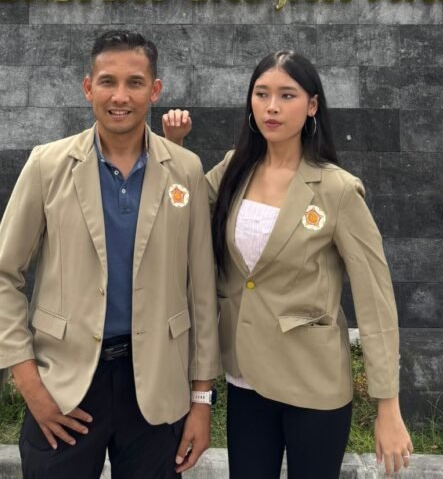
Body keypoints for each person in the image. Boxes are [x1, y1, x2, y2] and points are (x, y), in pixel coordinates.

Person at [162, 50, 413, 479]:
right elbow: (178, 215)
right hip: (246, 379)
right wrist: (174, 148)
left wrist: (387, 405)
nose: (272, 107)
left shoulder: (336, 189)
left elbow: (375, 300)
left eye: (286, 95)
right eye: (261, 94)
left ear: (312, 105)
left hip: (314, 383)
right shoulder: (233, 169)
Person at [0, 30, 220, 479]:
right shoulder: (48, 165)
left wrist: (201, 399)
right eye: (108, 81)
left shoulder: (185, 169)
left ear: (155, 90)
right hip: (65, 383)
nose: (120, 96)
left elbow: (202, 291)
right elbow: (3, 276)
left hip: (156, 386)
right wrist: (30, 385)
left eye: (135, 83)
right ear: (88, 87)